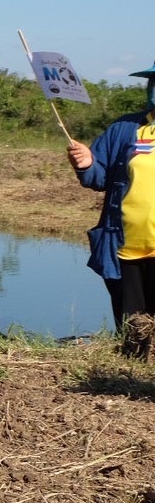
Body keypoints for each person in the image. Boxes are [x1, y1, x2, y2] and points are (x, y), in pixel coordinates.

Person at [66, 61, 155, 332]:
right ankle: (128, 373)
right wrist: (86, 162)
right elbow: (99, 176)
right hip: (126, 247)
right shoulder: (124, 128)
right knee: (132, 329)